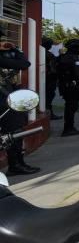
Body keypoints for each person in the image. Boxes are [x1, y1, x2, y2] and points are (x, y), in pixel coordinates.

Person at [0, 31, 40, 175]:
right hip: (4, 99)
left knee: (14, 131)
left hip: (7, 96)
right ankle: (15, 165)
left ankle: (17, 163)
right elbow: (25, 63)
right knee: (13, 131)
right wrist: (16, 49)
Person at [57, 39, 79, 136]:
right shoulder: (73, 59)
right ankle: (68, 129)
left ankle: (69, 127)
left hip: (65, 86)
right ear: (74, 48)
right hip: (72, 87)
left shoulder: (63, 57)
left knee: (69, 107)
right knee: (71, 108)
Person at [41, 37, 61, 120]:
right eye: (49, 44)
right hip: (50, 78)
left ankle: (48, 112)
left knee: (47, 96)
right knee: (49, 96)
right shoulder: (48, 54)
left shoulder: (40, 52)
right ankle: (49, 113)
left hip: (45, 77)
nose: (51, 46)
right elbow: (53, 68)